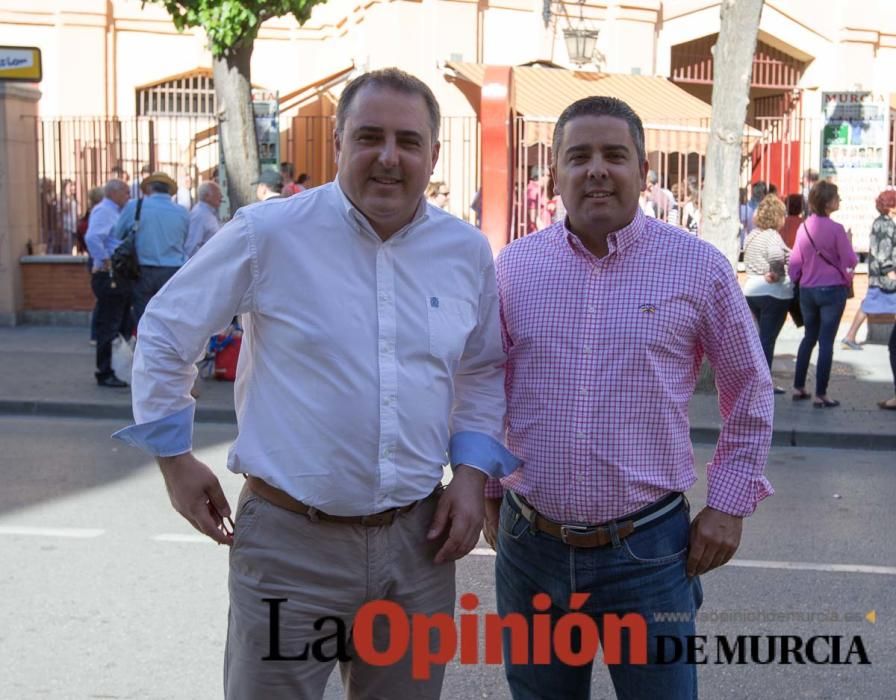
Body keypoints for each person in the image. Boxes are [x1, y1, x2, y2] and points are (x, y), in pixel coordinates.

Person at [113, 68, 516, 699]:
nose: (389, 157)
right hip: (290, 549)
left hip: (417, 548)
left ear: (434, 155)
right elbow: (166, 329)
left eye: (408, 141)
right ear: (338, 144)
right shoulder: (267, 234)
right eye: (369, 137)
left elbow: (481, 369)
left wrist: (469, 476)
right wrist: (173, 458)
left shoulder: (464, 252)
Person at [483, 96, 773, 699]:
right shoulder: (513, 269)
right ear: (555, 173)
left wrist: (728, 503)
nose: (597, 170)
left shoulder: (699, 269)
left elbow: (748, 387)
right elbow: (485, 385)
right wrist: (484, 486)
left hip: (649, 555)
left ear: (643, 171)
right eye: (578, 156)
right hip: (529, 549)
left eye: (615, 155)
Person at [789, 181, 857, 408]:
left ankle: (798, 386)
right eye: (837, 197)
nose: (839, 201)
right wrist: (848, 241)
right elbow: (850, 260)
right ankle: (821, 393)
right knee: (826, 342)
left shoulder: (804, 227)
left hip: (807, 290)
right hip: (832, 290)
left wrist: (798, 279)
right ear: (828, 203)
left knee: (809, 337)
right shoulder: (837, 229)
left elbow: (795, 263)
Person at [112, 171, 189, 327]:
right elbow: (185, 241)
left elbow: (117, 234)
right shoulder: (182, 212)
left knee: (144, 320)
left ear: (149, 189)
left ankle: (146, 350)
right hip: (173, 271)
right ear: (169, 191)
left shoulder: (135, 206)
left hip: (142, 271)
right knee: (169, 320)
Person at [84, 179, 133, 387]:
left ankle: (117, 368)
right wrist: (104, 260)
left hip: (118, 272)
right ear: (114, 192)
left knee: (121, 323)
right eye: (126, 192)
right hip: (109, 273)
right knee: (109, 324)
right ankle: (105, 371)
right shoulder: (104, 210)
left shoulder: (114, 210)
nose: (128, 197)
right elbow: (93, 237)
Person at [742, 195, 793, 395]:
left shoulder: (752, 235)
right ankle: (764, 383)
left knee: (757, 339)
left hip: (751, 290)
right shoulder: (773, 236)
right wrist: (778, 272)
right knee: (767, 340)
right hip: (773, 293)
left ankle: (755, 380)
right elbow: (775, 256)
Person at [842, 188, 896, 350]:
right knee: (868, 305)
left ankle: (850, 336)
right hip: (884, 276)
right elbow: (883, 249)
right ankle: (850, 336)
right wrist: (889, 271)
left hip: (877, 275)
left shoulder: (880, 222)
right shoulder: (886, 224)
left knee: (868, 305)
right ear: (891, 206)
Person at [185, 181, 223, 258]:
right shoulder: (199, 215)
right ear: (207, 197)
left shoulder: (208, 213)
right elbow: (191, 248)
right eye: (218, 194)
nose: (221, 197)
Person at [739, 180, 767, 250]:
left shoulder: (767, 210)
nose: (757, 193)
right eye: (756, 191)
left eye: (759, 192)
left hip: (758, 244)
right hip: (748, 245)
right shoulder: (745, 208)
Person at [59, 178, 80, 254]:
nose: (72, 188)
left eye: (73, 186)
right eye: (70, 186)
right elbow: (61, 211)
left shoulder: (73, 198)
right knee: (67, 251)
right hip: (66, 228)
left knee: (73, 249)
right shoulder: (61, 199)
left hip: (74, 228)